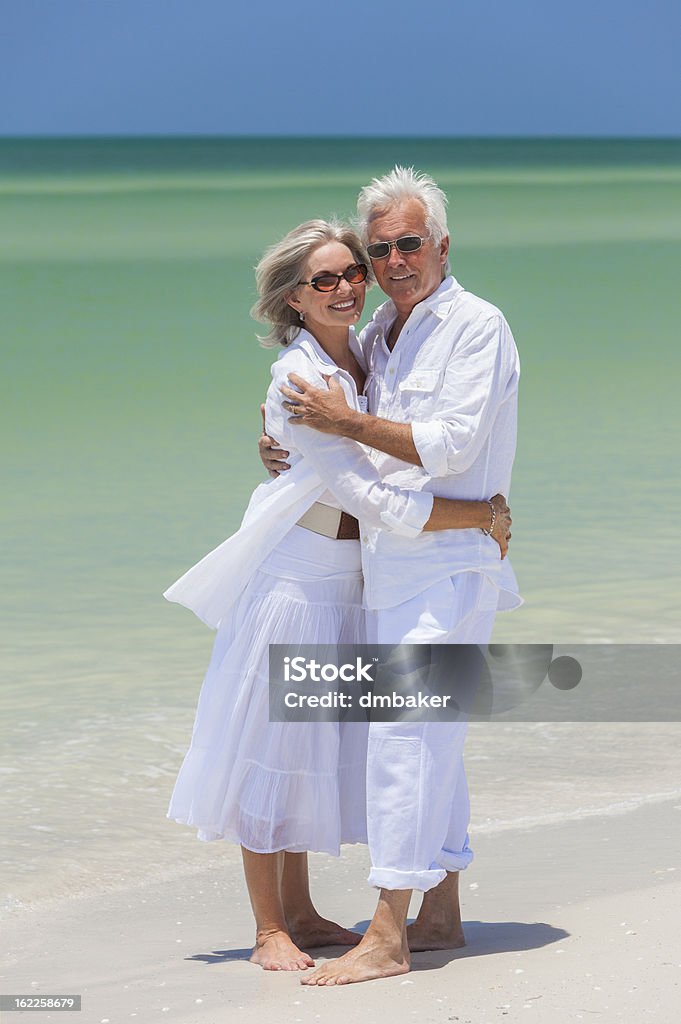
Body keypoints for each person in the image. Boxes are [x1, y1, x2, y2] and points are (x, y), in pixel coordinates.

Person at [164, 218, 513, 974]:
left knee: (315, 743)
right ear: (293, 297)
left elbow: (395, 444)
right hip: (296, 579)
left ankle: (302, 908)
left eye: (351, 270)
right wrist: (480, 515)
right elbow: (366, 490)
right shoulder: (303, 376)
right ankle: (269, 928)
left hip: (354, 581)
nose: (348, 285)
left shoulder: (371, 348)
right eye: (323, 280)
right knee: (270, 745)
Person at [259, 167, 522, 985]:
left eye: (409, 243)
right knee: (429, 738)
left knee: (404, 739)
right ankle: (440, 910)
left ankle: (387, 934)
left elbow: (448, 446)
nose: (395, 260)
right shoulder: (380, 330)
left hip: (446, 569)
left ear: (441, 245)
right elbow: (328, 416)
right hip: (391, 567)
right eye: (380, 251)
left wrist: (341, 424)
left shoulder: (476, 326)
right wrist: (285, 443)